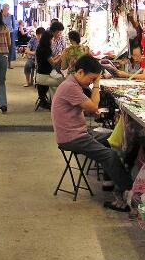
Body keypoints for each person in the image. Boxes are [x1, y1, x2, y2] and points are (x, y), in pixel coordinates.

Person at [51, 55, 133, 211]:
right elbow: (94, 105)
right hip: (72, 137)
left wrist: (88, 110)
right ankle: (129, 193)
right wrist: (97, 84)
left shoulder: (71, 83)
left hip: (77, 132)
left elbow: (81, 107)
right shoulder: (70, 86)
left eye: (94, 79)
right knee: (111, 155)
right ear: (80, 72)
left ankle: (109, 183)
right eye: (91, 78)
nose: (91, 81)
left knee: (114, 138)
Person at [35, 30, 63, 107]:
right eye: (52, 39)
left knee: (56, 82)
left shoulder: (41, 47)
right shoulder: (46, 49)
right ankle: (57, 104)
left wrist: (58, 55)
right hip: (44, 77)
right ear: (48, 40)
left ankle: (54, 102)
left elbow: (51, 59)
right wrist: (61, 57)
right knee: (62, 82)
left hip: (41, 75)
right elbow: (53, 62)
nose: (53, 40)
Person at [2, 4, 17, 68]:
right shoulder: (0, 16)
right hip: (2, 34)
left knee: (10, 48)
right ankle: (3, 63)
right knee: (3, 48)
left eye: (8, 8)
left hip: (10, 33)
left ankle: (9, 63)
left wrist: (11, 30)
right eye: (5, 8)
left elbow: (14, 26)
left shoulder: (11, 16)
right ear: (3, 9)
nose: (6, 9)